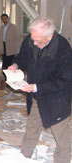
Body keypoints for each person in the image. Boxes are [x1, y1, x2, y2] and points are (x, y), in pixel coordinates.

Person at [8, 16, 72, 163]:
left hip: (57, 99)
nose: (34, 44)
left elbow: (65, 80)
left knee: (62, 138)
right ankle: (23, 158)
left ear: (49, 36)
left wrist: (37, 87)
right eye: (33, 39)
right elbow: (23, 56)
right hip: (37, 96)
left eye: (38, 41)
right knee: (31, 129)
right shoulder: (32, 40)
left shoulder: (63, 48)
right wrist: (16, 65)